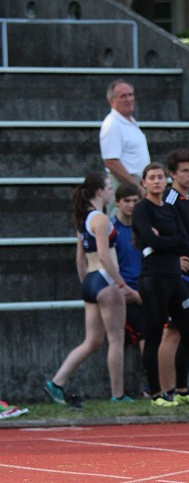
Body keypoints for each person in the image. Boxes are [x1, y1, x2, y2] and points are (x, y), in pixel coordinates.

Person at [44, 172, 129, 408]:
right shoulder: (101, 219)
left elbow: (79, 259)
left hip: (91, 280)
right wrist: (119, 281)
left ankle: (57, 382)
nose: (112, 192)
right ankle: (118, 394)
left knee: (92, 341)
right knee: (116, 339)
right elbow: (104, 255)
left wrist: (87, 285)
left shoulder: (83, 220)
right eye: (109, 188)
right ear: (99, 192)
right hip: (104, 279)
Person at [131, 163, 189, 407]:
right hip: (153, 279)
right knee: (153, 335)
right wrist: (163, 241)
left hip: (174, 278)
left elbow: (184, 243)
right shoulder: (142, 209)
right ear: (145, 183)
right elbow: (150, 240)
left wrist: (163, 240)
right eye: (152, 178)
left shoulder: (170, 209)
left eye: (160, 177)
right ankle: (157, 393)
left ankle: (181, 389)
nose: (158, 181)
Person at [160, 149, 189, 399]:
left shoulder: (187, 199)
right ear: (172, 174)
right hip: (179, 276)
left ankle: (181, 387)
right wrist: (174, 258)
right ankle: (166, 388)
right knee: (173, 331)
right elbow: (163, 230)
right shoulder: (170, 199)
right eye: (184, 171)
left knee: (188, 333)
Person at [112, 183, 146, 361]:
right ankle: (153, 384)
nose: (131, 205)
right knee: (145, 332)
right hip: (124, 293)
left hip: (145, 290)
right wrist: (132, 293)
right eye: (127, 201)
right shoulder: (111, 229)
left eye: (135, 201)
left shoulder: (143, 228)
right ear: (117, 202)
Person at [99, 79, 150, 196]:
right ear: (111, 101)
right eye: (123, 96)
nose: (128, 99)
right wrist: (136, 186)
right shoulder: (112, 125)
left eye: (130, 95)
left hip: (137, 183)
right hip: (124, 185)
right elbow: (111, 162)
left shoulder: (129, 121)